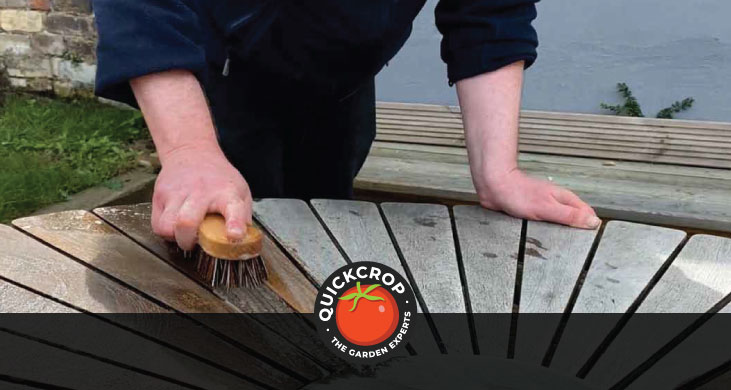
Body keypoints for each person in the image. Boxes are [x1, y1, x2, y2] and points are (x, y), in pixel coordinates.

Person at [93, 0, 600, 252]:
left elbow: (491, 10)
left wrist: (499, 172)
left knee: (328, 243)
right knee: (221, 249)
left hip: (344, 84)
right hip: (221, 77)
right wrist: (189, 150)